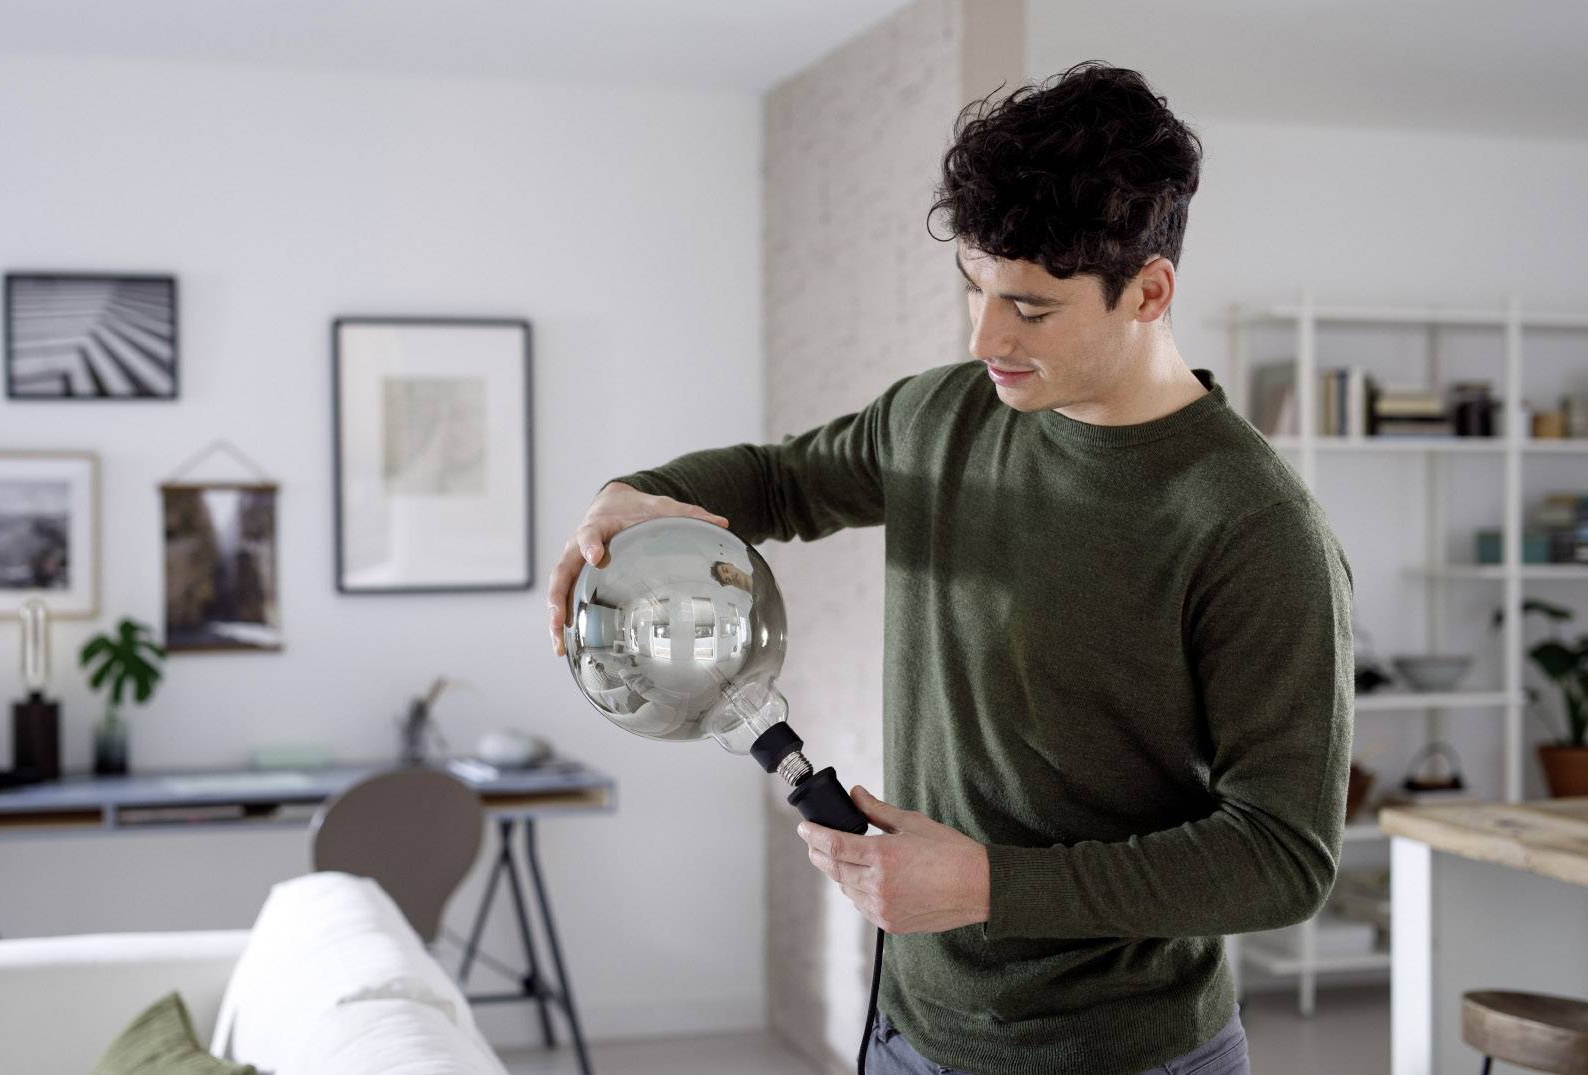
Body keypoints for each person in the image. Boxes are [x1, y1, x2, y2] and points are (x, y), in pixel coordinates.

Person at [547, 61, 1353, 1075]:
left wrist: (986, 885)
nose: (983, 338)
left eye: (1028, 307)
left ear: (1147, 291)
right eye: (972, 288)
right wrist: (632, 491)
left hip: (1121, 1054)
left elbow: (1280, 856)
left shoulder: (1253, 528)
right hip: (908, 1027)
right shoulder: (938, 416)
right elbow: (775, 483)